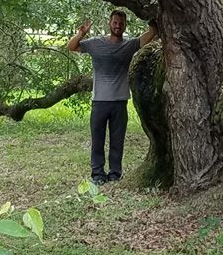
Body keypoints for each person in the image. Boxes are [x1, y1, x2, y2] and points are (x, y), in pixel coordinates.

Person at [66, 10, 157, 184]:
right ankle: (98, 174)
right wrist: (81, 33)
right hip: (99, 101)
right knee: (98, 140)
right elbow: (71, 47)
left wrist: (150, 15)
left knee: (117, 141)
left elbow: (151, 34)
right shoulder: (95, 43)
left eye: (121, 23)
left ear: (125, 26)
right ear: (110, 23)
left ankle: (115, 173)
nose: (118, 26)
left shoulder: (129, 45)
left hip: (119, 102)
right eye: (115, 22)